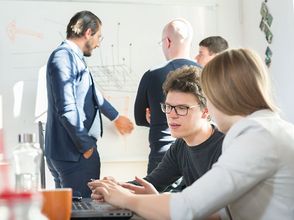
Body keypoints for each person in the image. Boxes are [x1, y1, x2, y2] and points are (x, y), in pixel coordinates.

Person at [88, 48, 294, 220]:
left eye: (210, 97)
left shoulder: (256, 138)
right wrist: (151, 199)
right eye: (168, 107)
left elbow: (187, 208)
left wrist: (125, 199)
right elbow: (223, 211)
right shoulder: (265, 130)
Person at [92, 65, 224, 195]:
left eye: (182, 108)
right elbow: (153, 182)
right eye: (168, 107)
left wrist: (156, 199)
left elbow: (217, 209)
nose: (172, 115)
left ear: (205, 111)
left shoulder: (225, 146)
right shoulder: (180, 146)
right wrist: (114, 188)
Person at [45, 10, 133, 197]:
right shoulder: (64, 57)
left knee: (68, 212)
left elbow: (92, 93)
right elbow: (67, 109)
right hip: (74, 154)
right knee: (83, 211)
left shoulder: (73, 57)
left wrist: (116, 117)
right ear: (88, 33)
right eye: (99, 36)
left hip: (68, 153)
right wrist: (86, 147)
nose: (99, 43)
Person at [134, 18, 201, 174]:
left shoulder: (153, 74)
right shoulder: (206, 73)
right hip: (198, 154)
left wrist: (158, 117)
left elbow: (140, 118)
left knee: (157, 197)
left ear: (168, 42)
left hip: (162, 155)